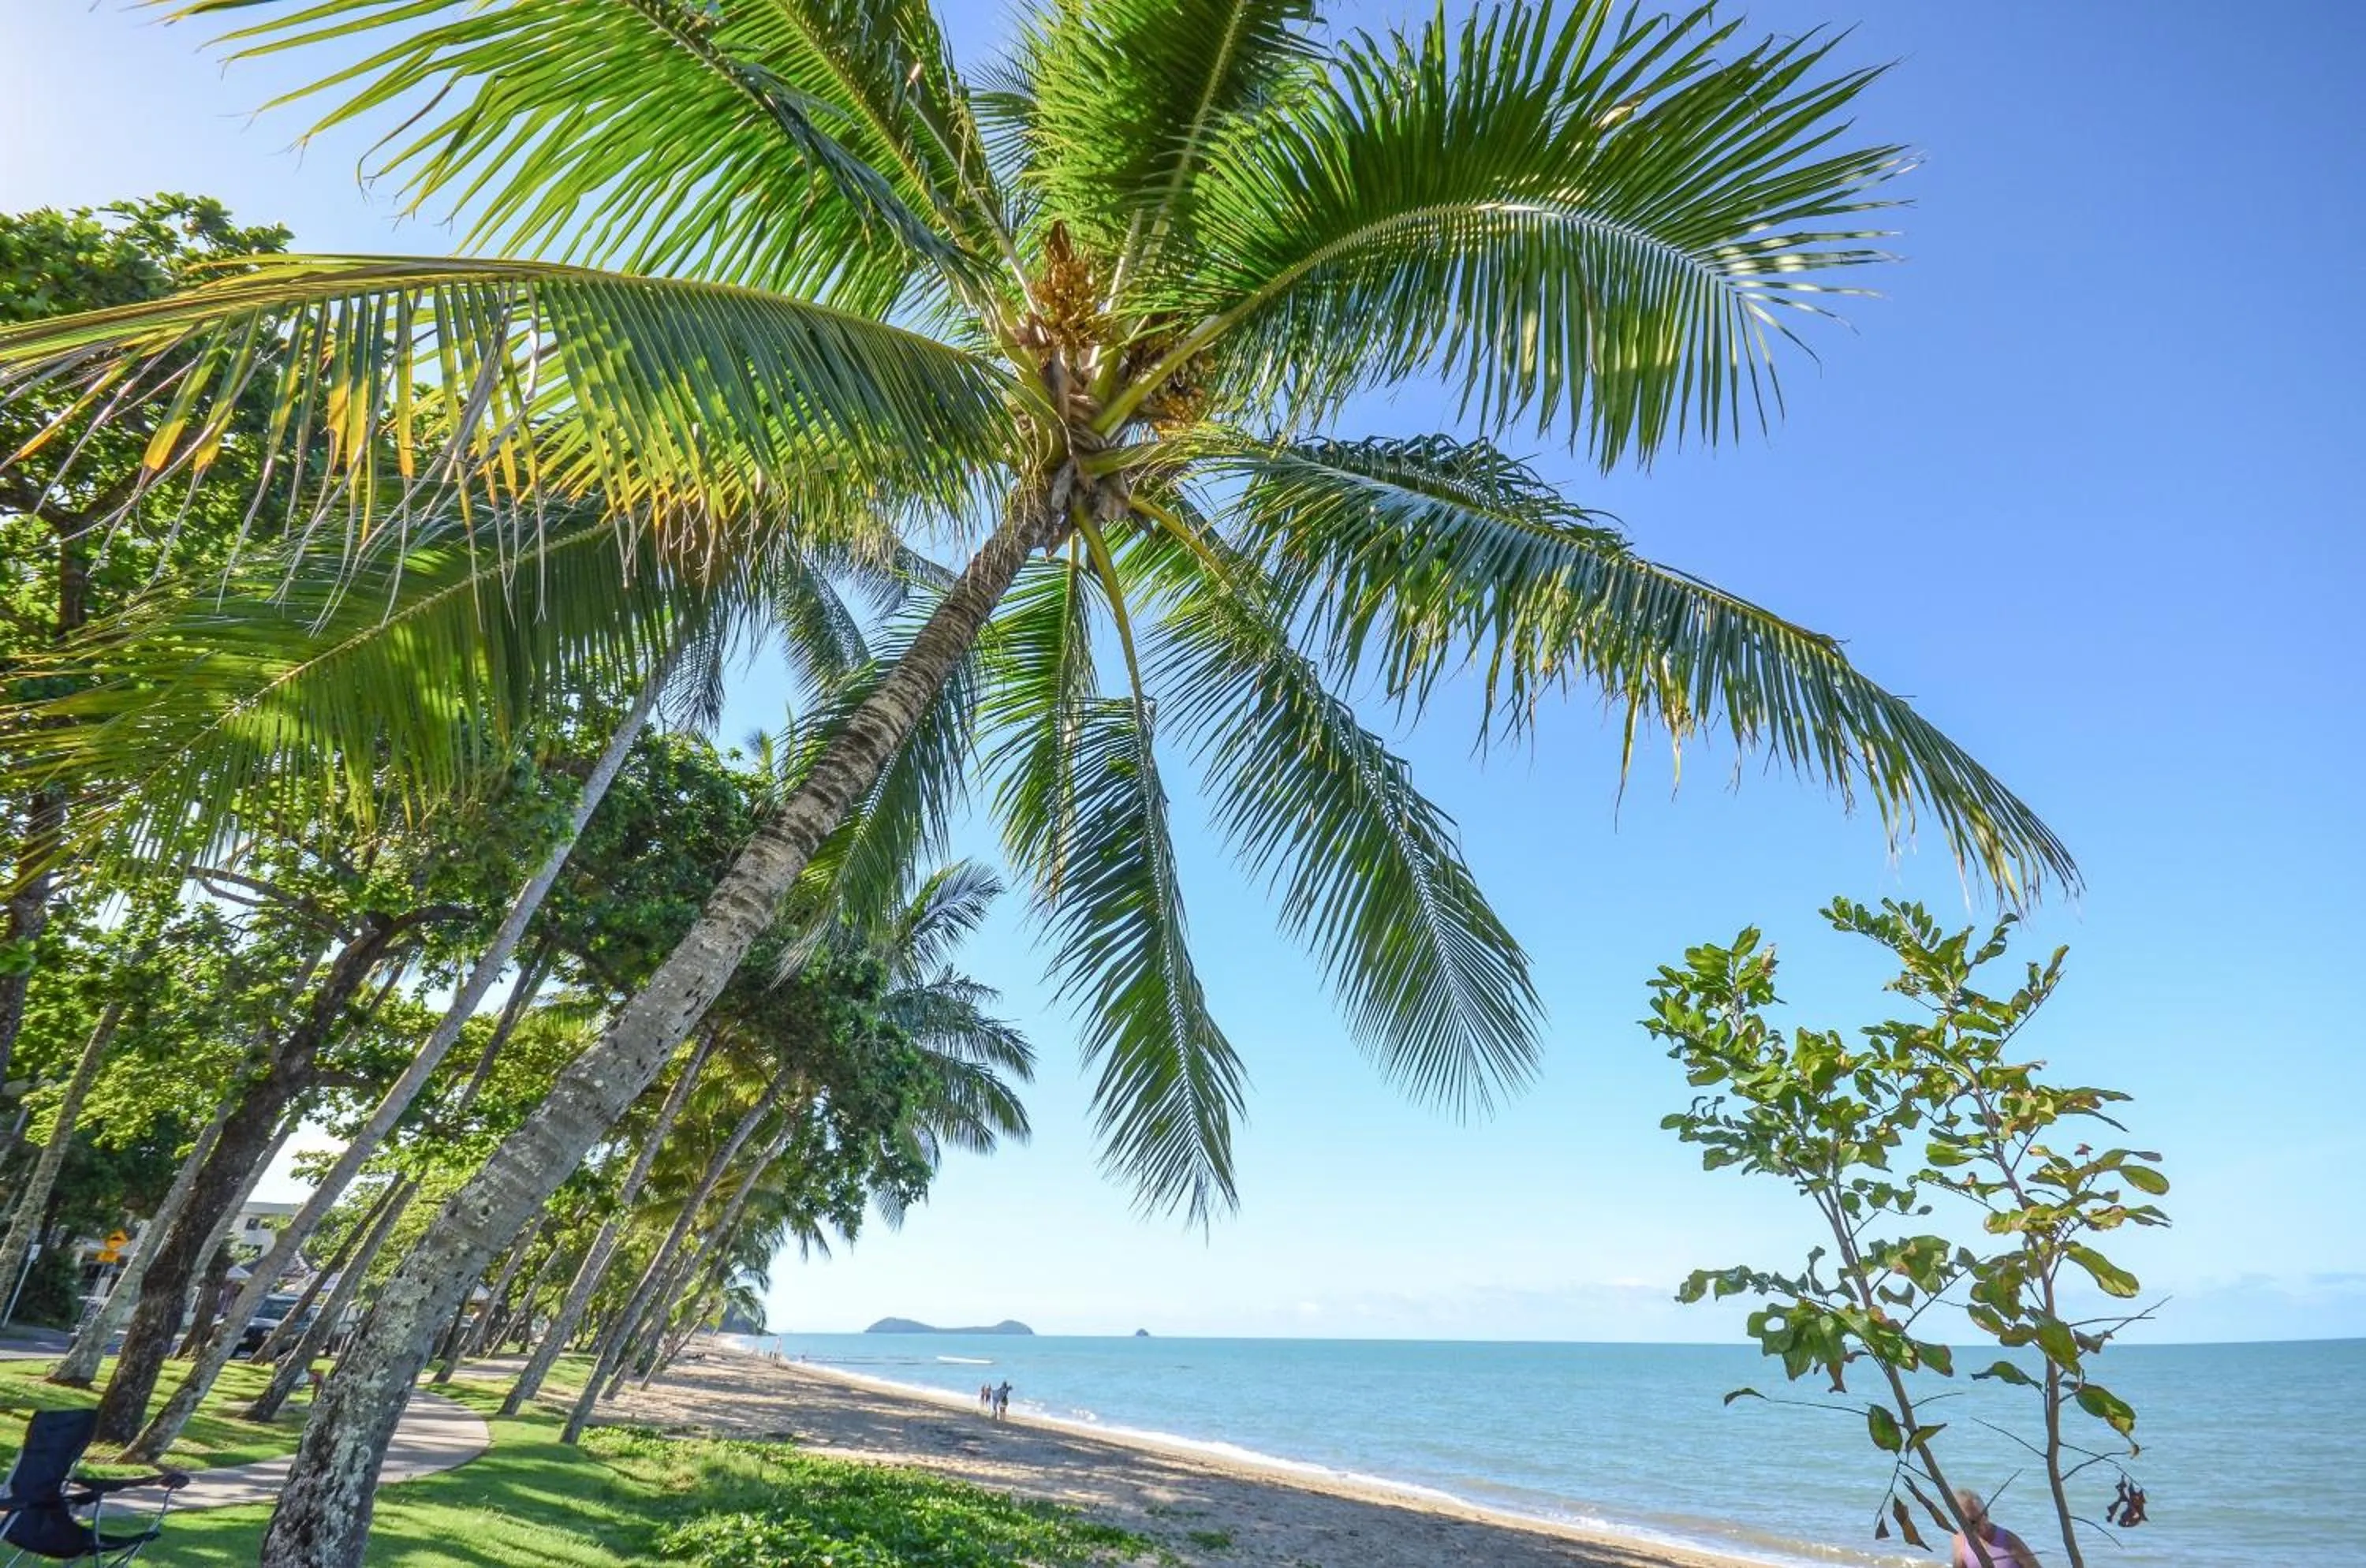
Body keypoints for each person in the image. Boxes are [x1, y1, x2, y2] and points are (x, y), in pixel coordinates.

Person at [1951, 1488, 2042, 1568]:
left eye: (1983, 1515)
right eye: (1972, 1521)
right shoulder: (1960, 1540)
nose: (1980, 1524)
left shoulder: (2009, 1541)